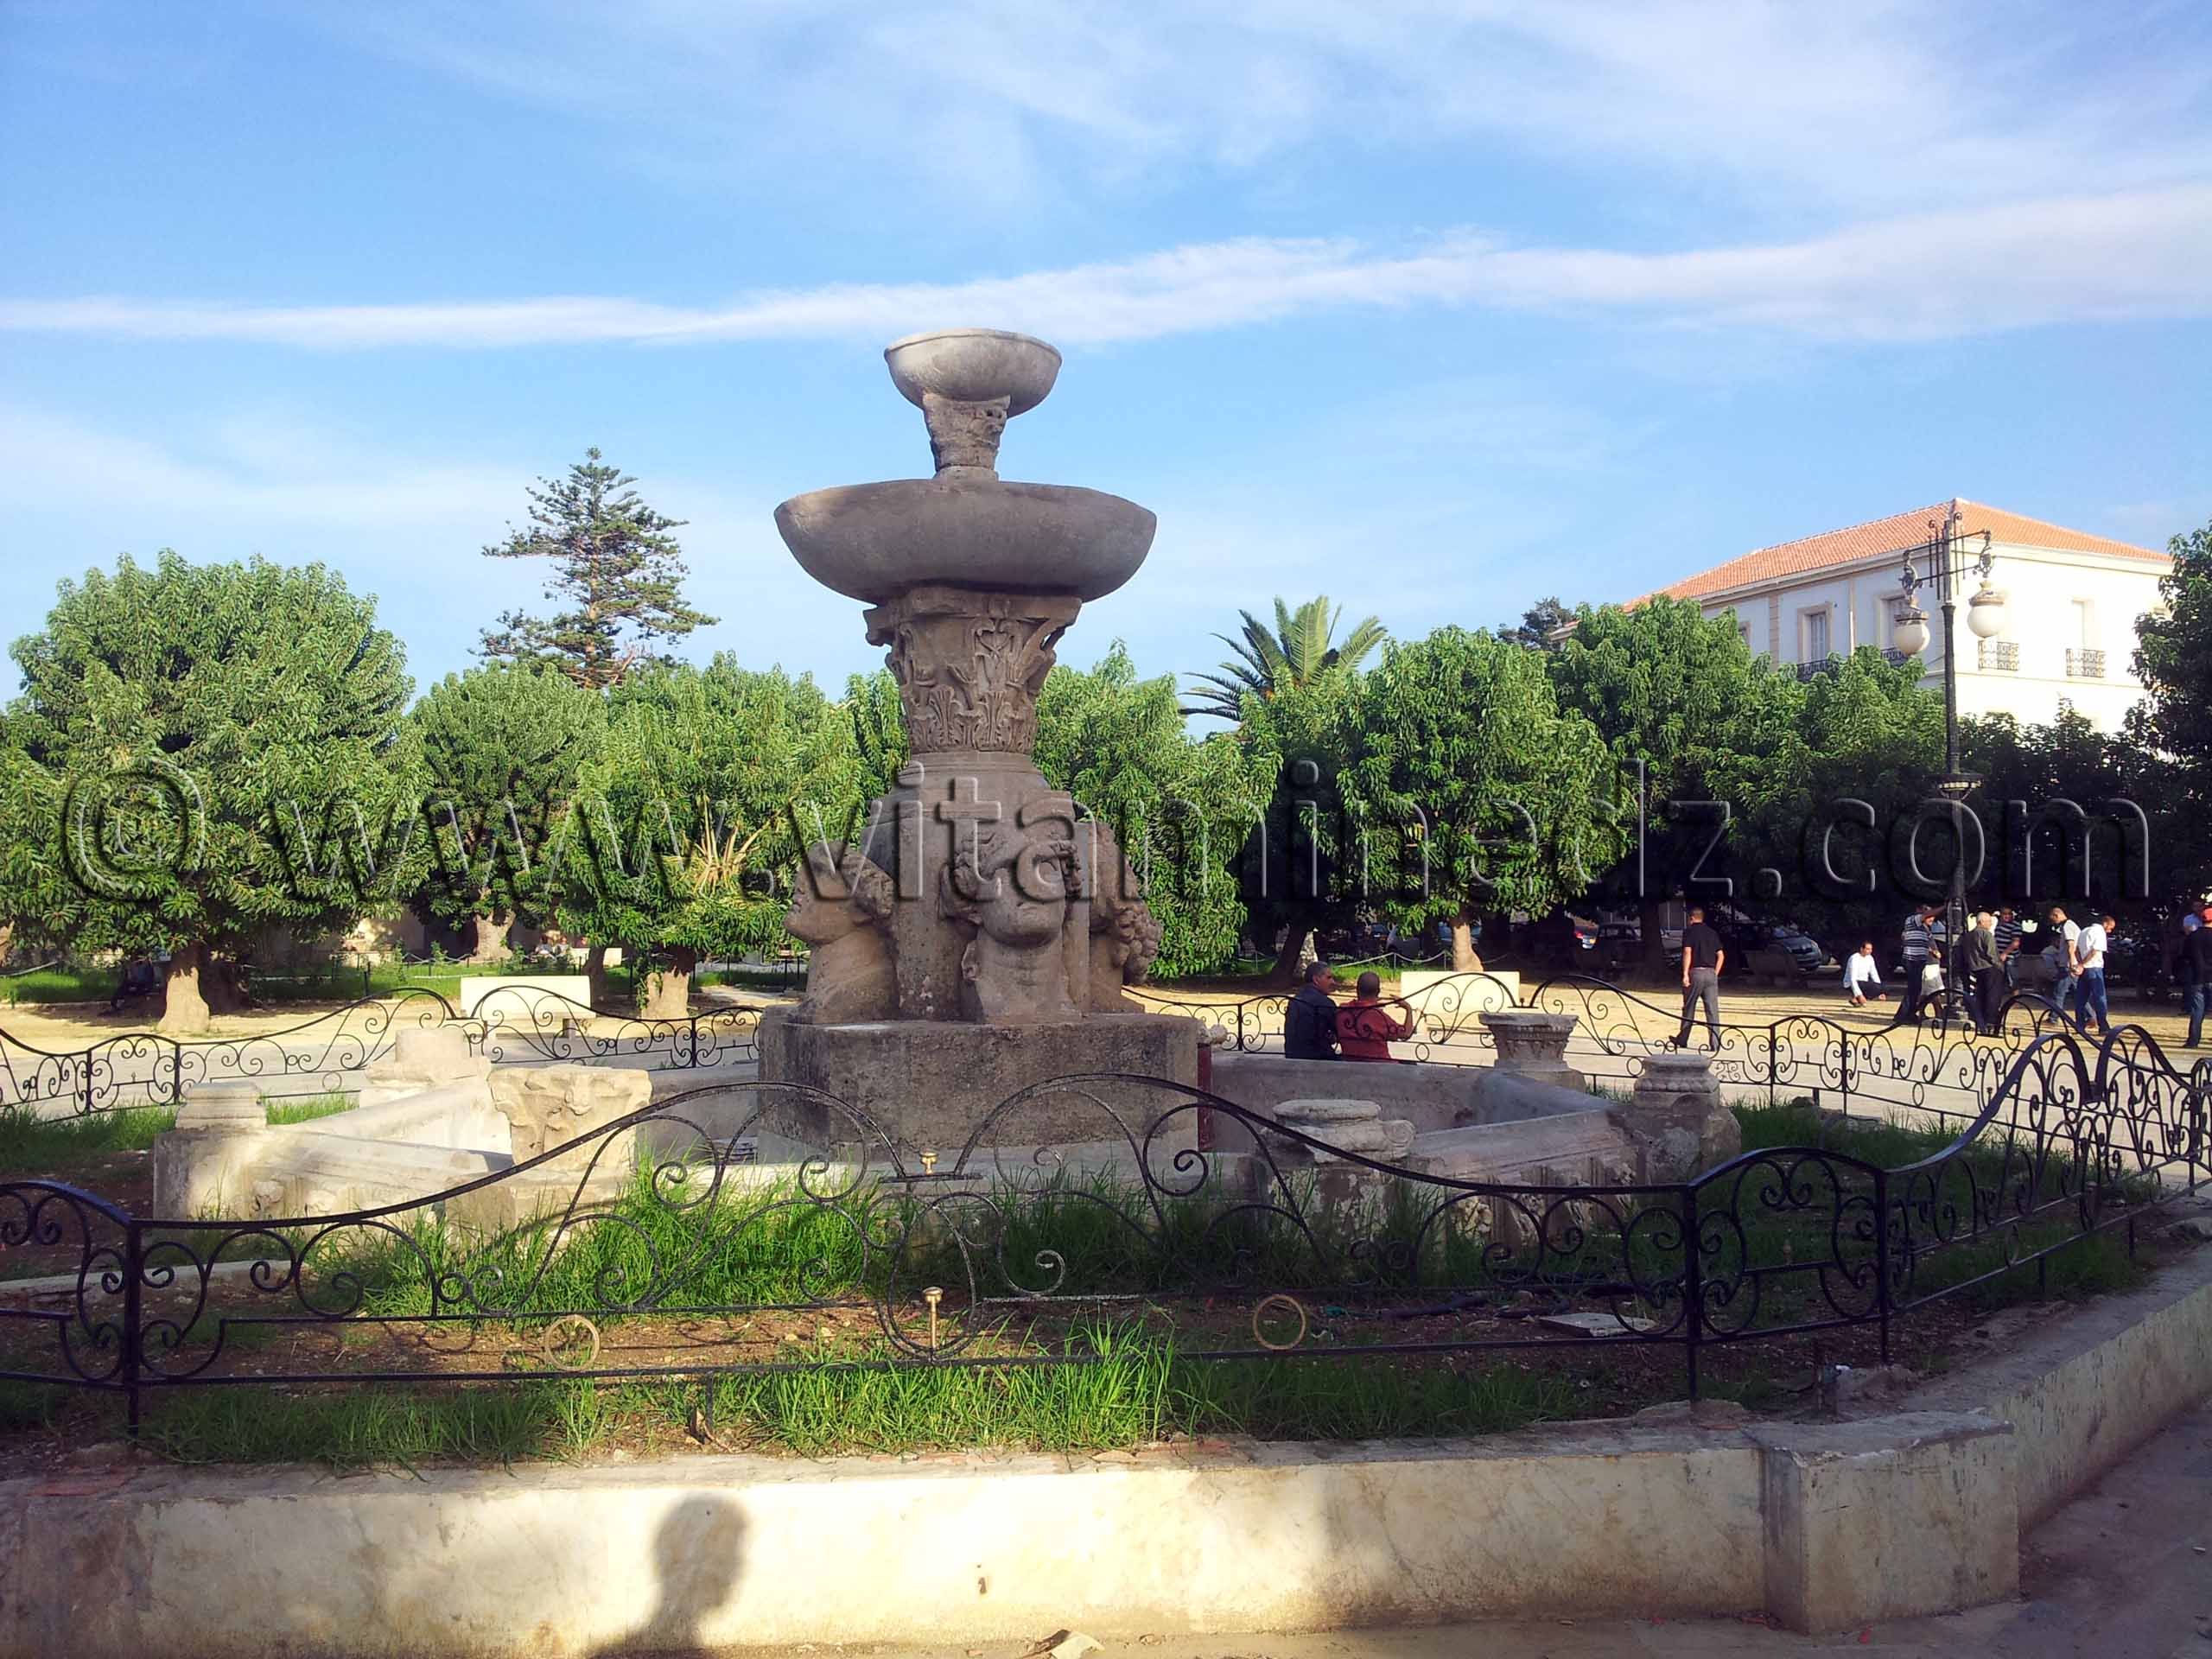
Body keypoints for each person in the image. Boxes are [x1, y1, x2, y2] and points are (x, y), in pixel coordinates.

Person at [1336, 971, 1416, 1061]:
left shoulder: (1342, 1010)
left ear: (1357, 989)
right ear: (1378, 992)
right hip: (1380, 1066)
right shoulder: (1379, 1017)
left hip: (1350, 1063)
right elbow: (1406, 1034)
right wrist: (1408, 1008)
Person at [1675, 905, 1725, 1052]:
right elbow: (1721, 955)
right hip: (1710, 974)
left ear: (1691, 918)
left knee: (1689, 1007)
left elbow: (1687, 952)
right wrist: (1716, 972)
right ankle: (1715, 1043)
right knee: (1712, 1010)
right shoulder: (1712, 933)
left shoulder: (1689, 932)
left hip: (1695, 973)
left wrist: (1685, 973)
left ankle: (1683, 1039)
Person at [1282, 959, 1342, 1059]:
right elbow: (1341, 1032)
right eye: (1329, 978)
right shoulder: (1325, 1003)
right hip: (1319, 1059)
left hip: (1292, 1057)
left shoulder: (1295, 1000)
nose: (1333, 982)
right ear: (1316, 980)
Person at [1964, 910, 2005, 1036]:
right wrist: (2000, 967)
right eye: (1988, 922)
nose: (1991, 924)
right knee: (1993, 996)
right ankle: (1991, 1022)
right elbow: (1991, 954)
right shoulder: (1986, 935)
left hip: (1976, 969)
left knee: (1980, 995)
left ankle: (1980, 1021)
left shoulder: (1968, 936)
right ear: (1981, 922)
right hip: (1989, 968)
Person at [2073, 912, 2113, 1038]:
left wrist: (2080, 964)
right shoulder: (2099, 931)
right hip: (2094, 967)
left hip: (2084, 969)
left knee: (2081, 999)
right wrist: (2084, 963)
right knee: (2100, 998)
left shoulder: (2084, 931)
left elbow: (2077, 950)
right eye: (2110, 927)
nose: (2110, 931)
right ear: (2105, 923)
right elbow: (2095, 951)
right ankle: (2103, 1026)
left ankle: (2080, 1025)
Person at [2181, 902, 2212, 1050]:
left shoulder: (2193, 937)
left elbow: (2185, 955)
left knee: (2197, 1010)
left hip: (2197, 976)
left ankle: (2193, 1040)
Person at [2045, 906, 2082, 1015]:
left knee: (2059, 993)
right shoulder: (2070, 925)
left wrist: (2071, 962)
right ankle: (2090, 1017)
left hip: (2067, 964)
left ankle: (2053, 1018)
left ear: (2056, 915)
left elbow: (2071, 945)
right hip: (2069, 963)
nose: (2053, 922)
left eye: (2053, 919)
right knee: (2077, 993)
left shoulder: (2068, 926)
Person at [1843, 941, 1884, 1006]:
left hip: (1864, 982)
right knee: (1861, 985)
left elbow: (1874, 974)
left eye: (1871, 949)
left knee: (1881, 987)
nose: (1870, 951)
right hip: (1851, 983)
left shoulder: (1870, 958)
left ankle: (1856, 999)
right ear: (1862, 949)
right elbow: (1852, 979)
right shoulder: (1854, 958)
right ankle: (1858, 998)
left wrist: (1880, 991)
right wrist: (1859, 995)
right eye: (1868, 949)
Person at [1994, 907, 2023, 985]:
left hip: (2010, 957)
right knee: (1999, 981)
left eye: (2009, 914)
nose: (2007, 916)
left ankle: (2016, 997)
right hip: (1998, 957)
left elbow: (2015, 943)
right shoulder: (1999, 924)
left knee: (2013, 981)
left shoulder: (2015, 926)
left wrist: (2005, 954)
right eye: (2005, 914)